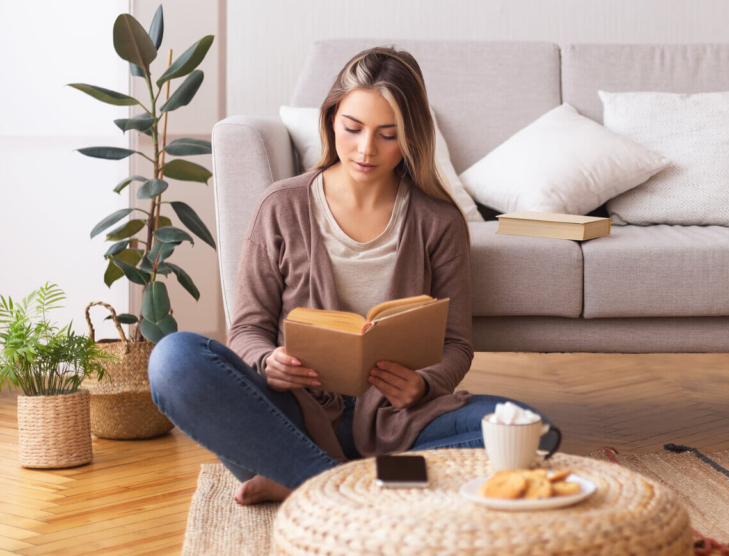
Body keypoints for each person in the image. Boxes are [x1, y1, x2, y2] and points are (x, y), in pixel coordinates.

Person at [148, 46, 556, 505]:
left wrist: (424, 384)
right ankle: (359, 482)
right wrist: (269, 361)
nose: (365, 149)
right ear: (330, 120)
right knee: (174, 360)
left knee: (532, 432)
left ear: (411, 137)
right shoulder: (281, 206)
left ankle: (314, 482)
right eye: (353, 128)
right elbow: (247, 330)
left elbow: (457, 345)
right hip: (294, 417)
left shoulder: (438, 221)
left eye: (388, 134)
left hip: (402, 420)